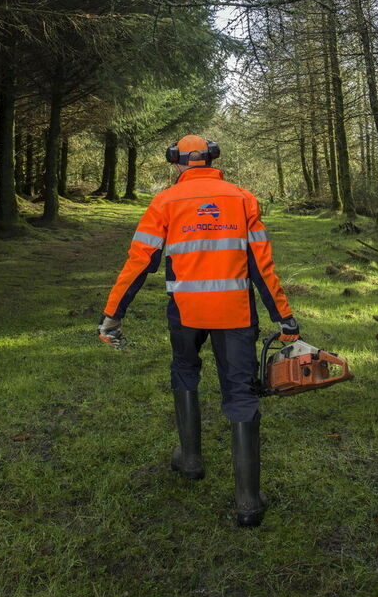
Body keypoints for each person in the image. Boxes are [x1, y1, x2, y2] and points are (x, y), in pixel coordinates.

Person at [97, 134, 299, 527]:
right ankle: (248, 503)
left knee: (185, 372)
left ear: (177, 163)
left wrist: (112, 315)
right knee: (240, 392)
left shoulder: (164, 202)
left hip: (184, 312)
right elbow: (262, 267)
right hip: (236, 314)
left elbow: (139, 262)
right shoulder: (242, 199)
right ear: (212, 160)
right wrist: (284, 318)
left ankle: (190, 461)